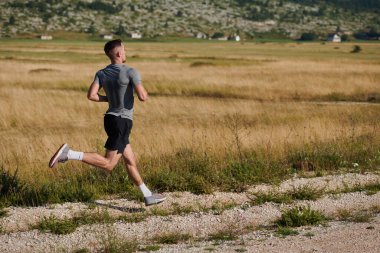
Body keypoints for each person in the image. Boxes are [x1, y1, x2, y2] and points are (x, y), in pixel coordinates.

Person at [49, 39, 165, 206]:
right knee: (109, 164)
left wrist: (108, 98)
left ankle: (147, 195)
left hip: (110, 118)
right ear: (119, 53)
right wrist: (142, 91)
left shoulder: (101, 73)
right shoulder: (131, 71)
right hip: (122, 121)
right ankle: (70, 153)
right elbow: (142, 97)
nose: (125, 53)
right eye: (124, 50)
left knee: (130, 160)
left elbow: (92, 95)